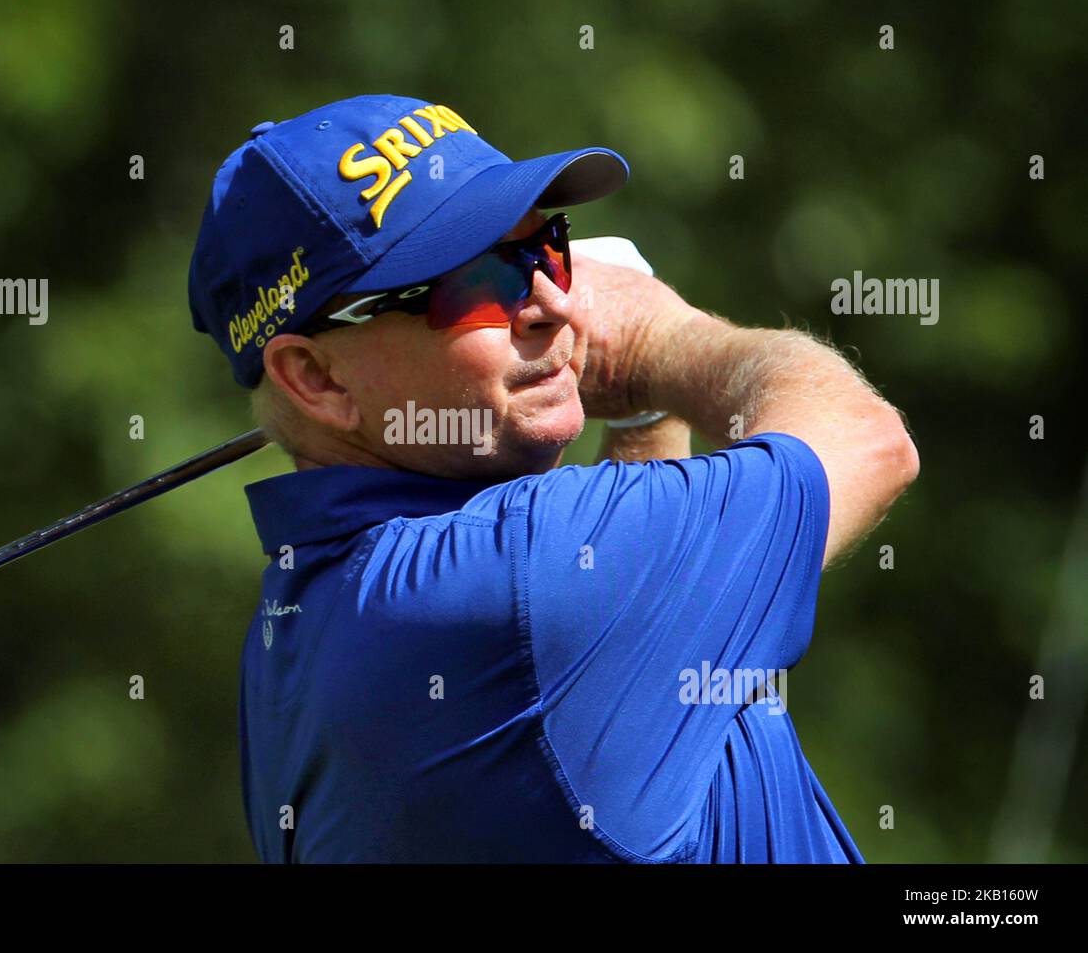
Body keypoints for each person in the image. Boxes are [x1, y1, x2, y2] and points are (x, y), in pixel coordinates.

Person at [187, 94, 919, 862]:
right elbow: (867, 441)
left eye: (548, 248)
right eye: (476, 281)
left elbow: (621, 710)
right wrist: (660, 339)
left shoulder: (297, 621)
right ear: (316, 378)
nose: (555, 306)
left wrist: (639, 415)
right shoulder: (518, 578)